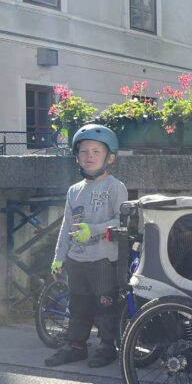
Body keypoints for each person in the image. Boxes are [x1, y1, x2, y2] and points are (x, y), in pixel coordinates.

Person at [44, 124, 129, 368]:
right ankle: (76, 346)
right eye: (83, 151)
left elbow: (122, 220)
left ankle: (106, 346)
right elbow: (66, 226)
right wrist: (59, 256)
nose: (89, 156)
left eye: (96, 151)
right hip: (77, 259)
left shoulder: (115, 187)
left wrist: (94, 230)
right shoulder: (74, 191)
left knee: (105, 305)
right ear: (77, 157)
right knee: (78, 305)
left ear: (110, 158)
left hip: (103, 259)